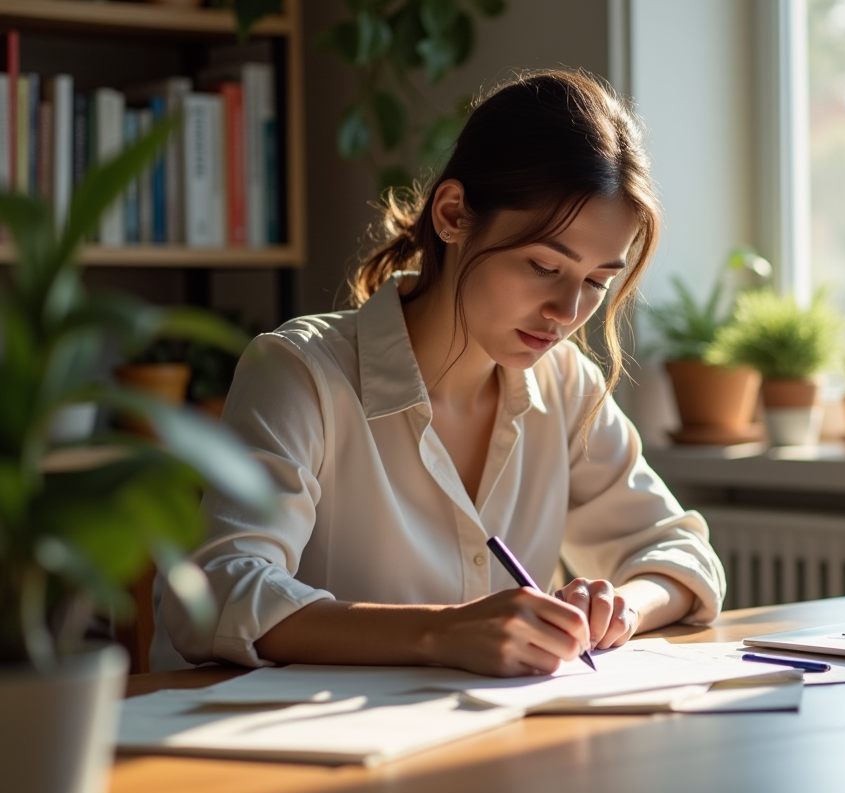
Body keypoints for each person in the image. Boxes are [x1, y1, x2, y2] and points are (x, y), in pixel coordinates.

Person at [154, 70, 726, 676]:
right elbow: (218, 593)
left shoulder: (566, 384)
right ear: (453, 214)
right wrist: (439, 632)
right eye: (541, 265)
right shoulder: (301, 372)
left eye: (595, 283)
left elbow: (683, 553)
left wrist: (618, 608)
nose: (566, 313)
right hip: (304, 754)